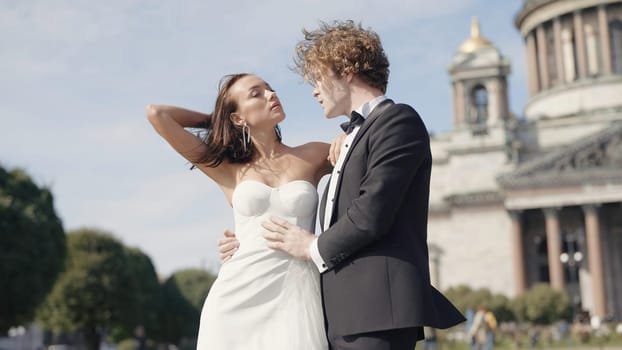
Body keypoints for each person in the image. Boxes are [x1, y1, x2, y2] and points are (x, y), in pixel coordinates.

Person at [220, 20, 465, 350]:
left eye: (318, 78)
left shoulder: (398, 121)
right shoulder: (354, 136)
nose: (314, 90)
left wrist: (309, 246)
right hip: (339, 315)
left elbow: (371, 213)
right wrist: (250, 240)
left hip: (376, 310)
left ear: (345, 70)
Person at [147, 73, 332, 349]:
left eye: (270, 89)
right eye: (256, 94)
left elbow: (365, 155)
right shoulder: (227, 169)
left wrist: (344, 141)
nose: (271, 95)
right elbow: (158, 114)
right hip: (236, 297)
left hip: (295, 293)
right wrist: (219, 121)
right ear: (237, 118)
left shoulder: (314, 154)